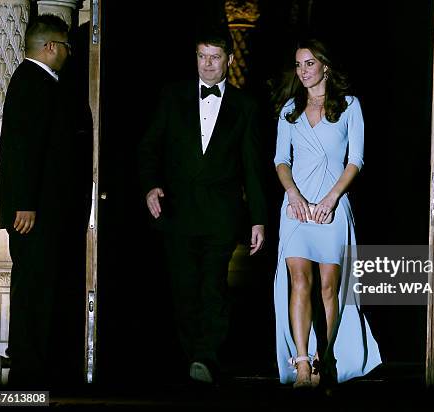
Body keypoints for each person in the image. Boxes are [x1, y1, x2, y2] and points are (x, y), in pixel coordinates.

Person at [138, 28, 267, 385]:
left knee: (213, 286)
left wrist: (258, 219)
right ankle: (191, 355)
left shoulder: (246, 106)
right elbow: (149, 147)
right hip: (176, 211)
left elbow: (253, 168)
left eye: (215, 57)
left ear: (228, 59)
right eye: (201, 56)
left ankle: (205, 357)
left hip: (221, 215)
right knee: (183, 288)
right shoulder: (172, 95)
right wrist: (150, 187)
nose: (207, 65)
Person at [272, 38, 381, 389]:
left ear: (325, 66)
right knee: (299, 281)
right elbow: (280, 160)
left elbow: (356, 160)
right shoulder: (290, 109)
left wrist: (332, 199)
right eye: (299, 65)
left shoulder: (349, 106)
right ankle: (302, 363)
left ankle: (324, 356)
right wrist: (294, 195)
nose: (303, 71)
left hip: (332, 208)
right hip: (295, 209)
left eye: (309, 64)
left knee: (329, 288)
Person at [0, 14, 92, 388]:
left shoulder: (45, 83)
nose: (69, 54)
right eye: (67, 47)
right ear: (51, 47)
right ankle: (28, 371)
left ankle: (41, 365)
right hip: (32, 214)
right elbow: (22, 148)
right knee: (34, 290)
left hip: (45, 212)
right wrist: (24, 204)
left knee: (44, 287)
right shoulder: (31, 82)